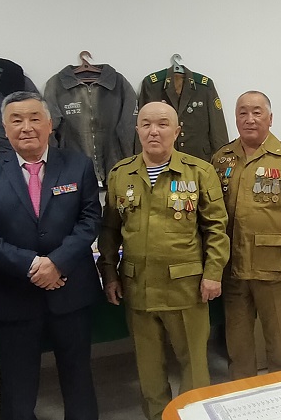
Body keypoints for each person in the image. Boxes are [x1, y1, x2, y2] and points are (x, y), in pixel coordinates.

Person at [0, 91, 102, 420]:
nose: (26, 127)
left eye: (34, 118)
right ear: (5, 128)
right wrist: (32, 265)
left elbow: (90, 220)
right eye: (16, 120)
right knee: (17, 382)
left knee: (78, 375)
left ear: (50, 124)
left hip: (69, 290)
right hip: (12, 293)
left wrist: (57, 263)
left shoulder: (78, 165)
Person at [97, 102, 230, 420]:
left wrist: (213, 273)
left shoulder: (199, 172)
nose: (153, 131)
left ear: (177, 131)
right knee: (148, 369)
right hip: (138, 287)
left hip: (185, 287)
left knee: (194, 365)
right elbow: (110, 229)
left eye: (162, 124)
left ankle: (193, 416)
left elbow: (216, 228)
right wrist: (110, 274)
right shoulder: (121, 174)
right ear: (137, 130)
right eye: (146, 124)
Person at [211, 91, 281, 379]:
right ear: (235, 118)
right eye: (243, 113)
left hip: (274, 268)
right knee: (238, 347)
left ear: (270, 118)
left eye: (257, 112)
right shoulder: (221, 159)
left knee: (279, 344)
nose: (249, 119)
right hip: (233, 269)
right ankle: (243, 396)